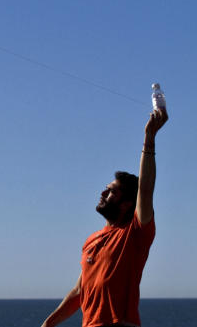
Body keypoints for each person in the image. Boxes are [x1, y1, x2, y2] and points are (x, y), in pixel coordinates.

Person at [41, 107, 169, 327]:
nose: (103, 193)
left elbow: (145, 190)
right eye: (105, 188)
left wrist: (149, 138)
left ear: (128, 203)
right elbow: (80, 292)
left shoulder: (135, 233)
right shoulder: (91, 241)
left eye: (112, 191)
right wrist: (48, 323)